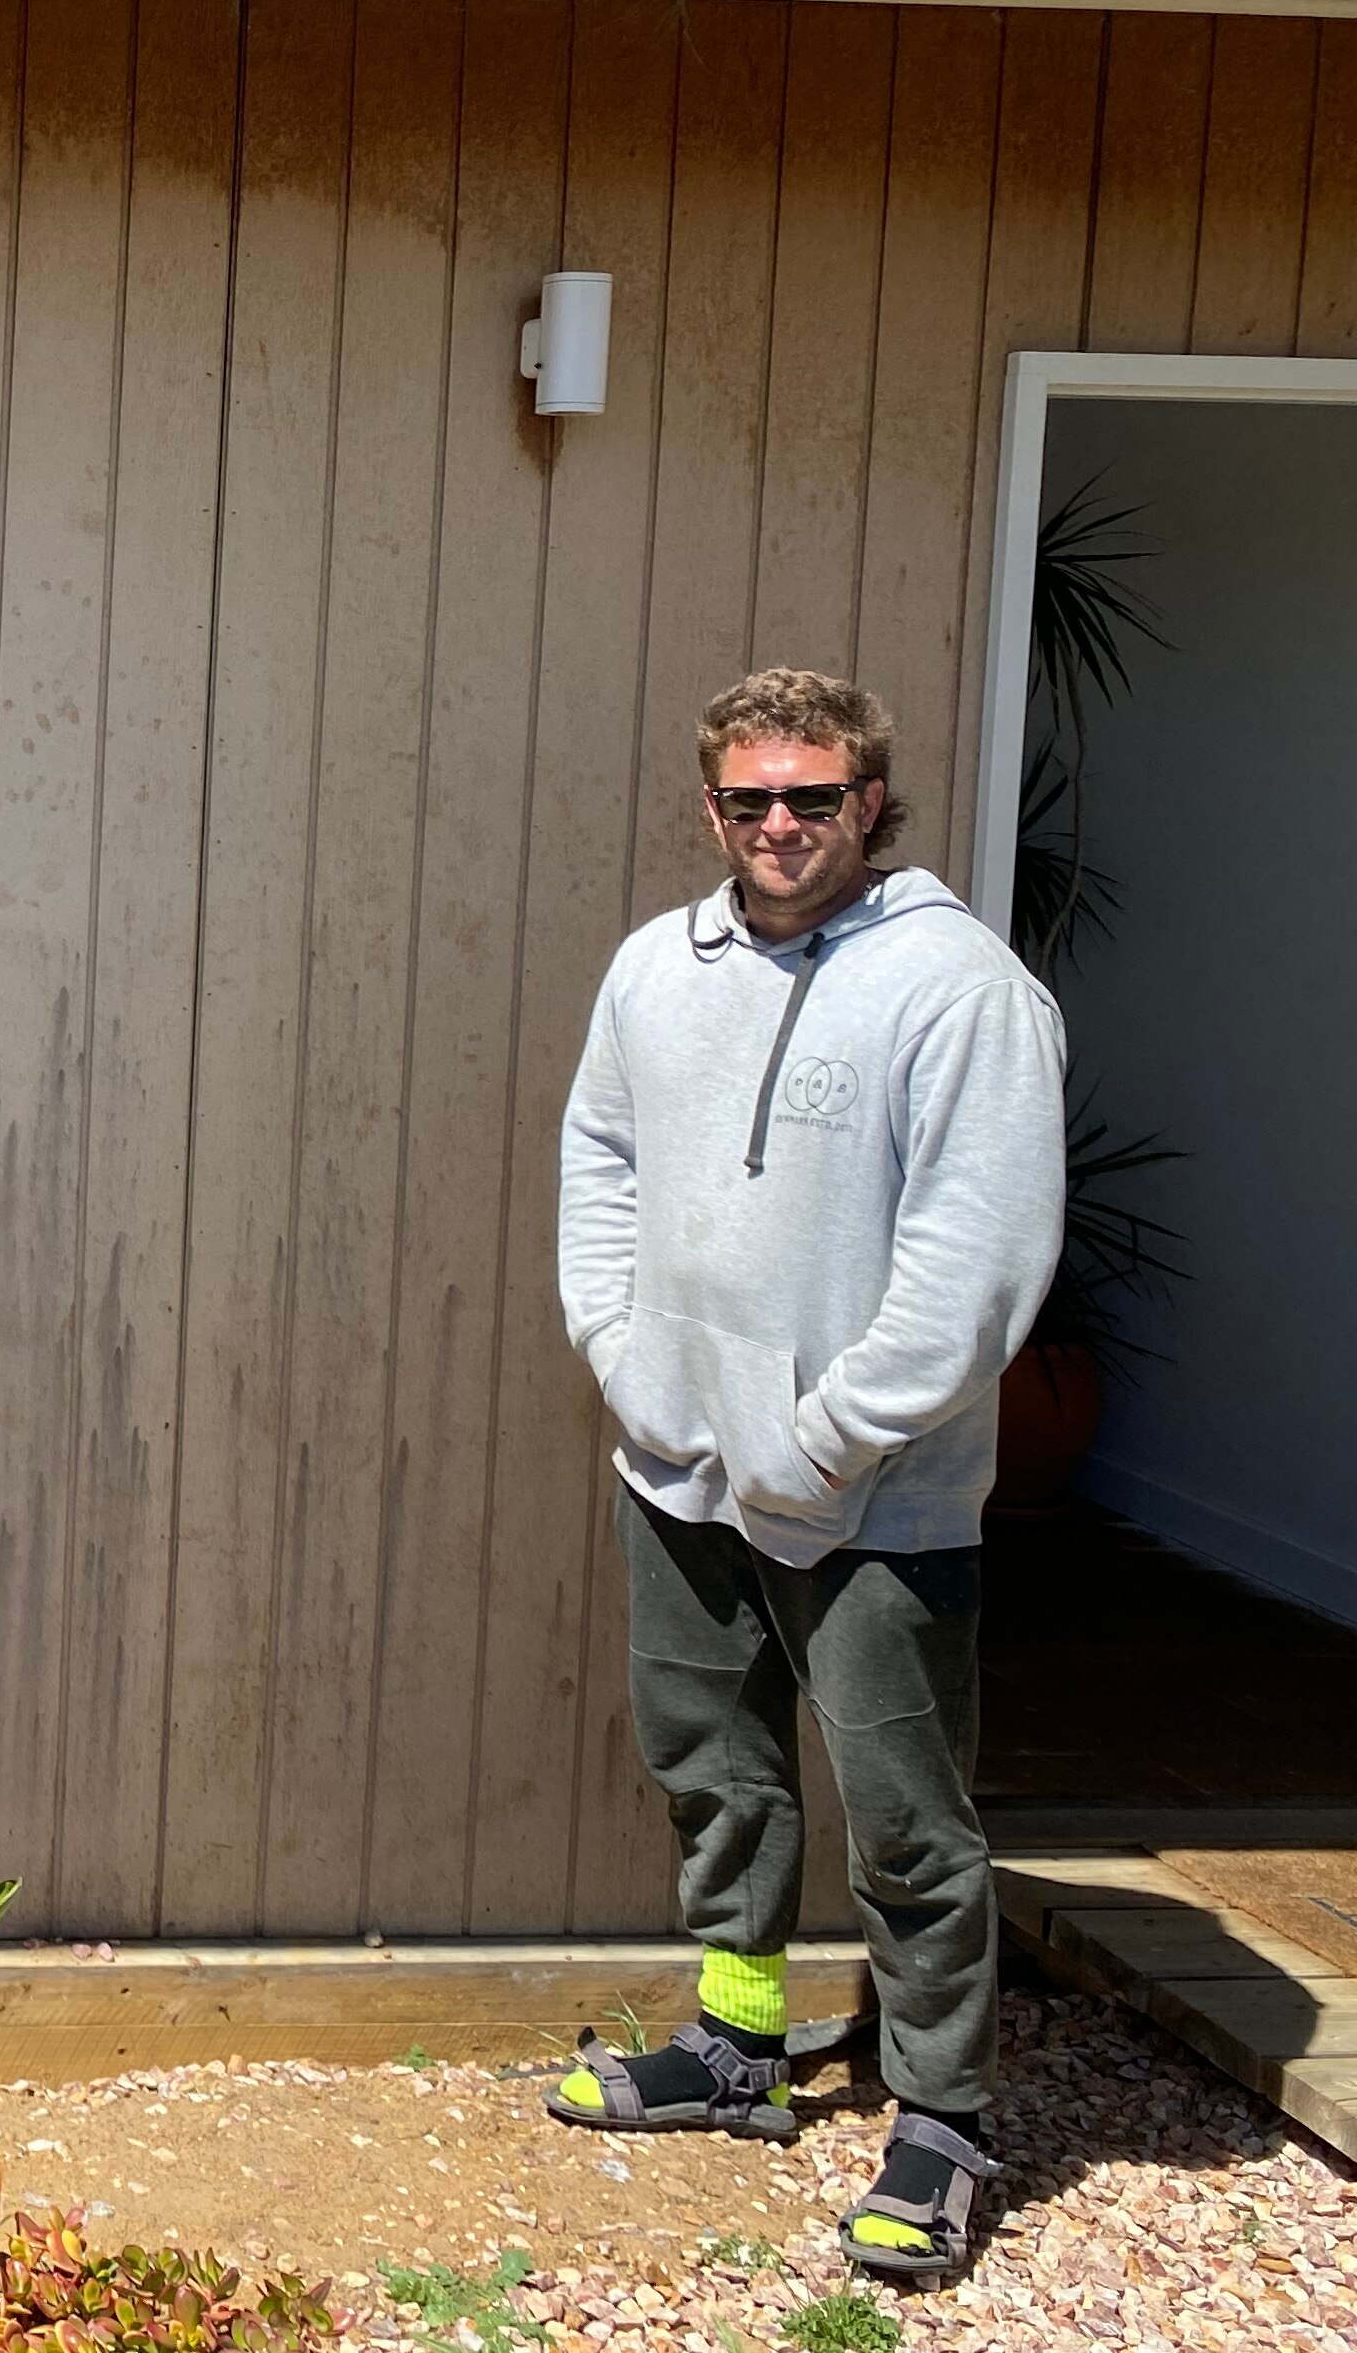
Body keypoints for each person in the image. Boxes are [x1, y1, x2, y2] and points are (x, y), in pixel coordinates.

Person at [543, 668, 1065, 2292]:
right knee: (718, 1774)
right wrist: (633, 1367)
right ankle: (740, 2046)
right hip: (680, 1466)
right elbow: (601, 1168)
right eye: (751, 798)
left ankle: (946, 2120)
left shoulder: (957, 988)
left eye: (815, 797)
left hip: (877, 1501)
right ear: (712, 809)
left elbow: (975, 1264)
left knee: (910, 1824)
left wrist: (830, 1436)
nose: (781, 825)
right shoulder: (657, 969)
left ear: (872, 805)